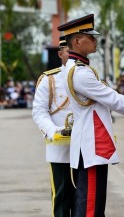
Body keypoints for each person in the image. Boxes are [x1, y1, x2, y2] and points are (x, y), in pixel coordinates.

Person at [57, 14, 124, 216]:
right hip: (91, 146)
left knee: (93, 203)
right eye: (90, 37)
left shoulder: (76, 69)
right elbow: (115, 100)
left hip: (90, 144)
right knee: (90, 207)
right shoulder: (81, 73)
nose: (95, 40)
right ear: (77, 41)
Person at [32, 36, 75, 217]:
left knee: (85, 199)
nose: (73, 56)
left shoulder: (90, 76)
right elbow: (39, 112)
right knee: (62, 197)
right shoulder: (49, 80)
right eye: (68, 52)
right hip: (60, 148)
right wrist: (54, 131)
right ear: (60, 54)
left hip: (85, 148)